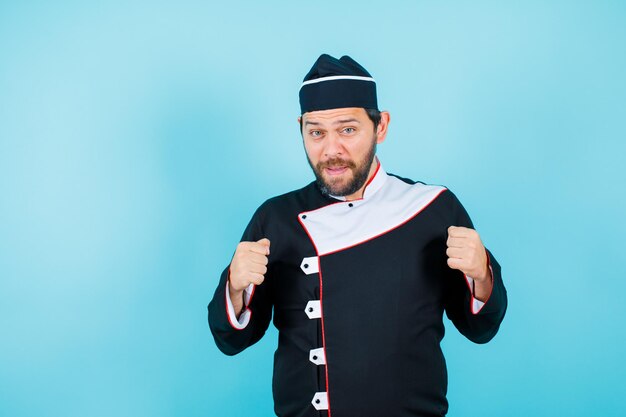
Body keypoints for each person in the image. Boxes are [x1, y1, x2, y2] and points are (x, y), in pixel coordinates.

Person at [208, 54, 507, 417]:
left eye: (347, 130)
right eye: (316, 132)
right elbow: (232, 339)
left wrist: (482, 275)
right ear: (300, 128)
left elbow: (481, 328)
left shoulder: (432, 208)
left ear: (381, 126)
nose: (331, 150)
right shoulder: (275, 219)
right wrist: (235, 289)